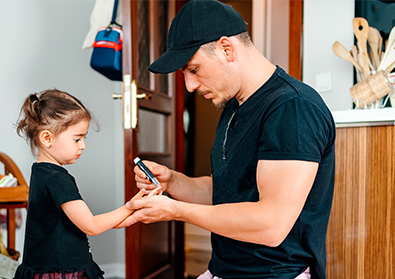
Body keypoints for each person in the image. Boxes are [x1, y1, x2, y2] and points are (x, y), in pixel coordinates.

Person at [118, 1, 336, 278]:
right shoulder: (235, 105)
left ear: (226, 48)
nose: (189, 86)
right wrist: (173, 181)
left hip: (274, 274)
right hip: (225, 269)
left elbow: (270, 225)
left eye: (193, 69)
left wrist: (175, 210)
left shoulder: (292, 108)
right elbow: (228, 192)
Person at [13, 89, 147, 279]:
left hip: (45, 266)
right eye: (77, 139)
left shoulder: (39, 172)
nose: (83, 145)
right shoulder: (57, 179)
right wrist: (132, 206)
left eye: (84, 138)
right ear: (47, 138)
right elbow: (91, 225)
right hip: (62, 270)